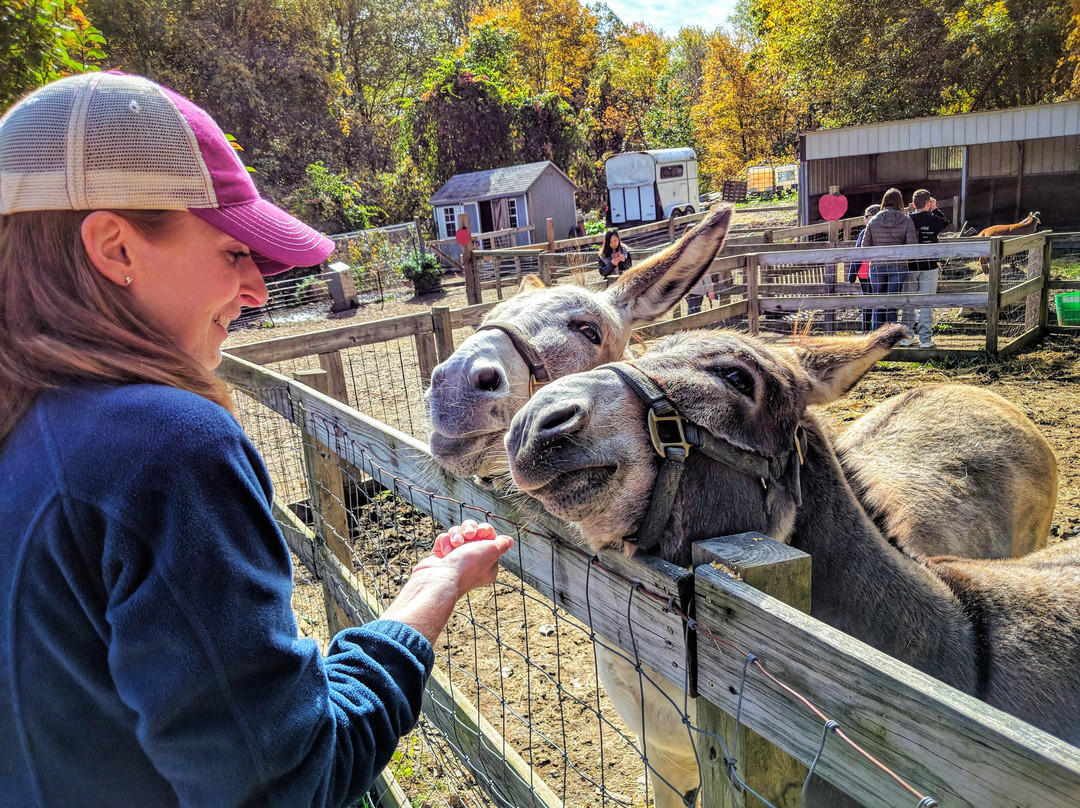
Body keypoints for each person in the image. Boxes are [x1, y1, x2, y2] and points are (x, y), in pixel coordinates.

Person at [0, 72, 515, 808]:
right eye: (233, 253)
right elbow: (293, 783)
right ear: (115, 248)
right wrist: (433, 591)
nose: (258, 291)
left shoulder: (30, 425)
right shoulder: (164, 446)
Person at [860, 187, 917, 330]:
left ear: (884, 201)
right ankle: (891, 338)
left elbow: (864, 245)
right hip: (899, 266)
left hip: (877, 265)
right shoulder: (906, 220)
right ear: (900, 202)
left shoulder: (874, 220)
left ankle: (876, 338)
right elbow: (912, 246)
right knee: (892, 303)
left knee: (878, 303)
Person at [901, 189, 951, 348]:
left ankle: (906, 336)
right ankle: (925, 339)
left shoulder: (907, 220)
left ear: (914, 205)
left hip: (910, 266)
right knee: (926, 303)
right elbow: (945, 222)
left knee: (908, 302)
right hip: (929, 266)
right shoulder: (933, 219)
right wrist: (935, 208)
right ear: (928, 203)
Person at [847, 204, 880, 332]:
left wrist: (852, 274)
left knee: (868, 303)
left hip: (866, 273)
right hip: (870, 272)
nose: (864, 219)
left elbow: (857, 254)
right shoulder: (878, 231)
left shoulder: (865, 232)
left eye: (866, 216)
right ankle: (871, 330)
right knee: (874, 302)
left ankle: (867, 330)